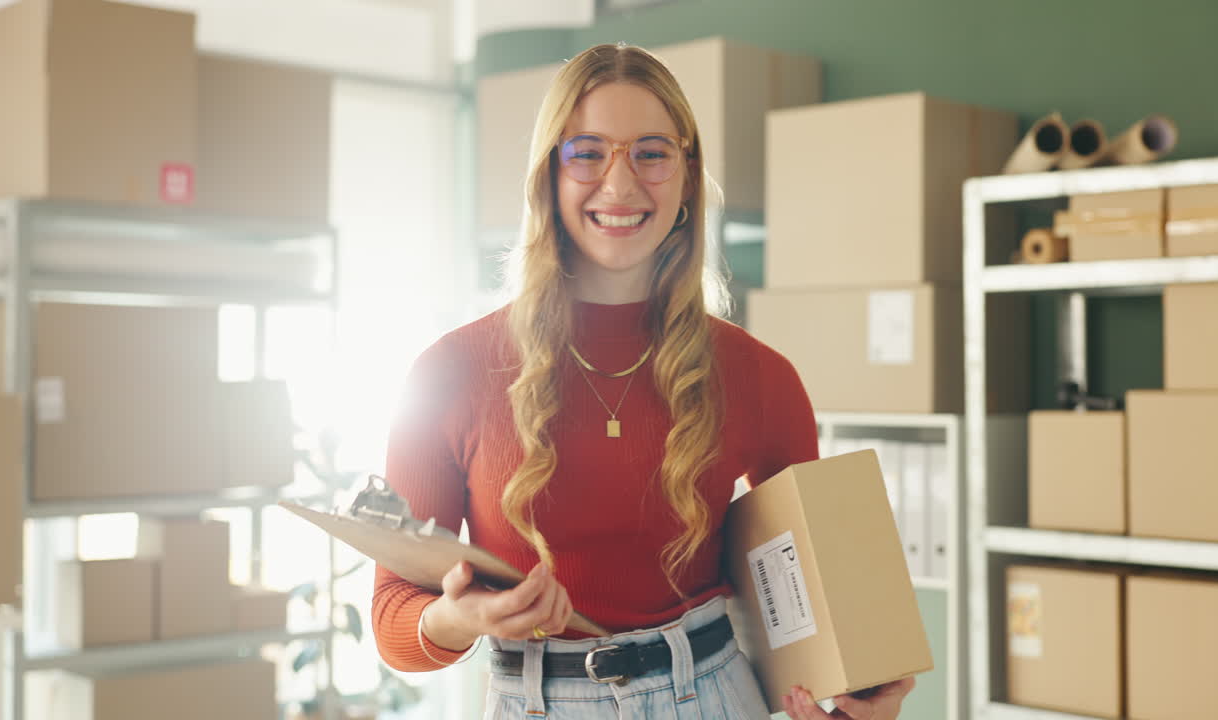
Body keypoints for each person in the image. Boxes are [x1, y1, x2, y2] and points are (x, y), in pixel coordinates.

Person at [371, 42, 914, 720]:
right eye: (588, 152)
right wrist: (459, 619)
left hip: (714, 698)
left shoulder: (758, 376)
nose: (621, 186)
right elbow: (394, 619)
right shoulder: (448, 373)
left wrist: (864, 693)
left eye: (652, 153)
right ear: (548, 176)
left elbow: (822, 592)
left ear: (688, 175)